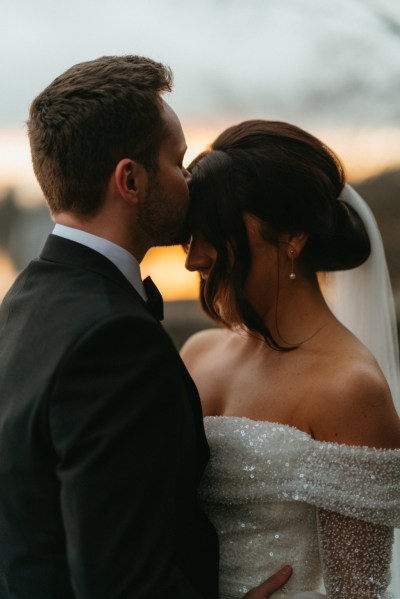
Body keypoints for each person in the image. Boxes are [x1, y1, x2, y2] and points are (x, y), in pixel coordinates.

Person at [0, 58, 291, 599]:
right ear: (130, 180)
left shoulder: (22, 302)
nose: (188, 180)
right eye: (177, 161)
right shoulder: (112, 340)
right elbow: (122, 580)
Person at [181, 120, 400, 598]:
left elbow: (357, 593)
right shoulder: (197, 352)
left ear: (293, 237)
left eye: (213, 234)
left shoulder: (350, 388)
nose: (194, 260)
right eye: (190, 235)